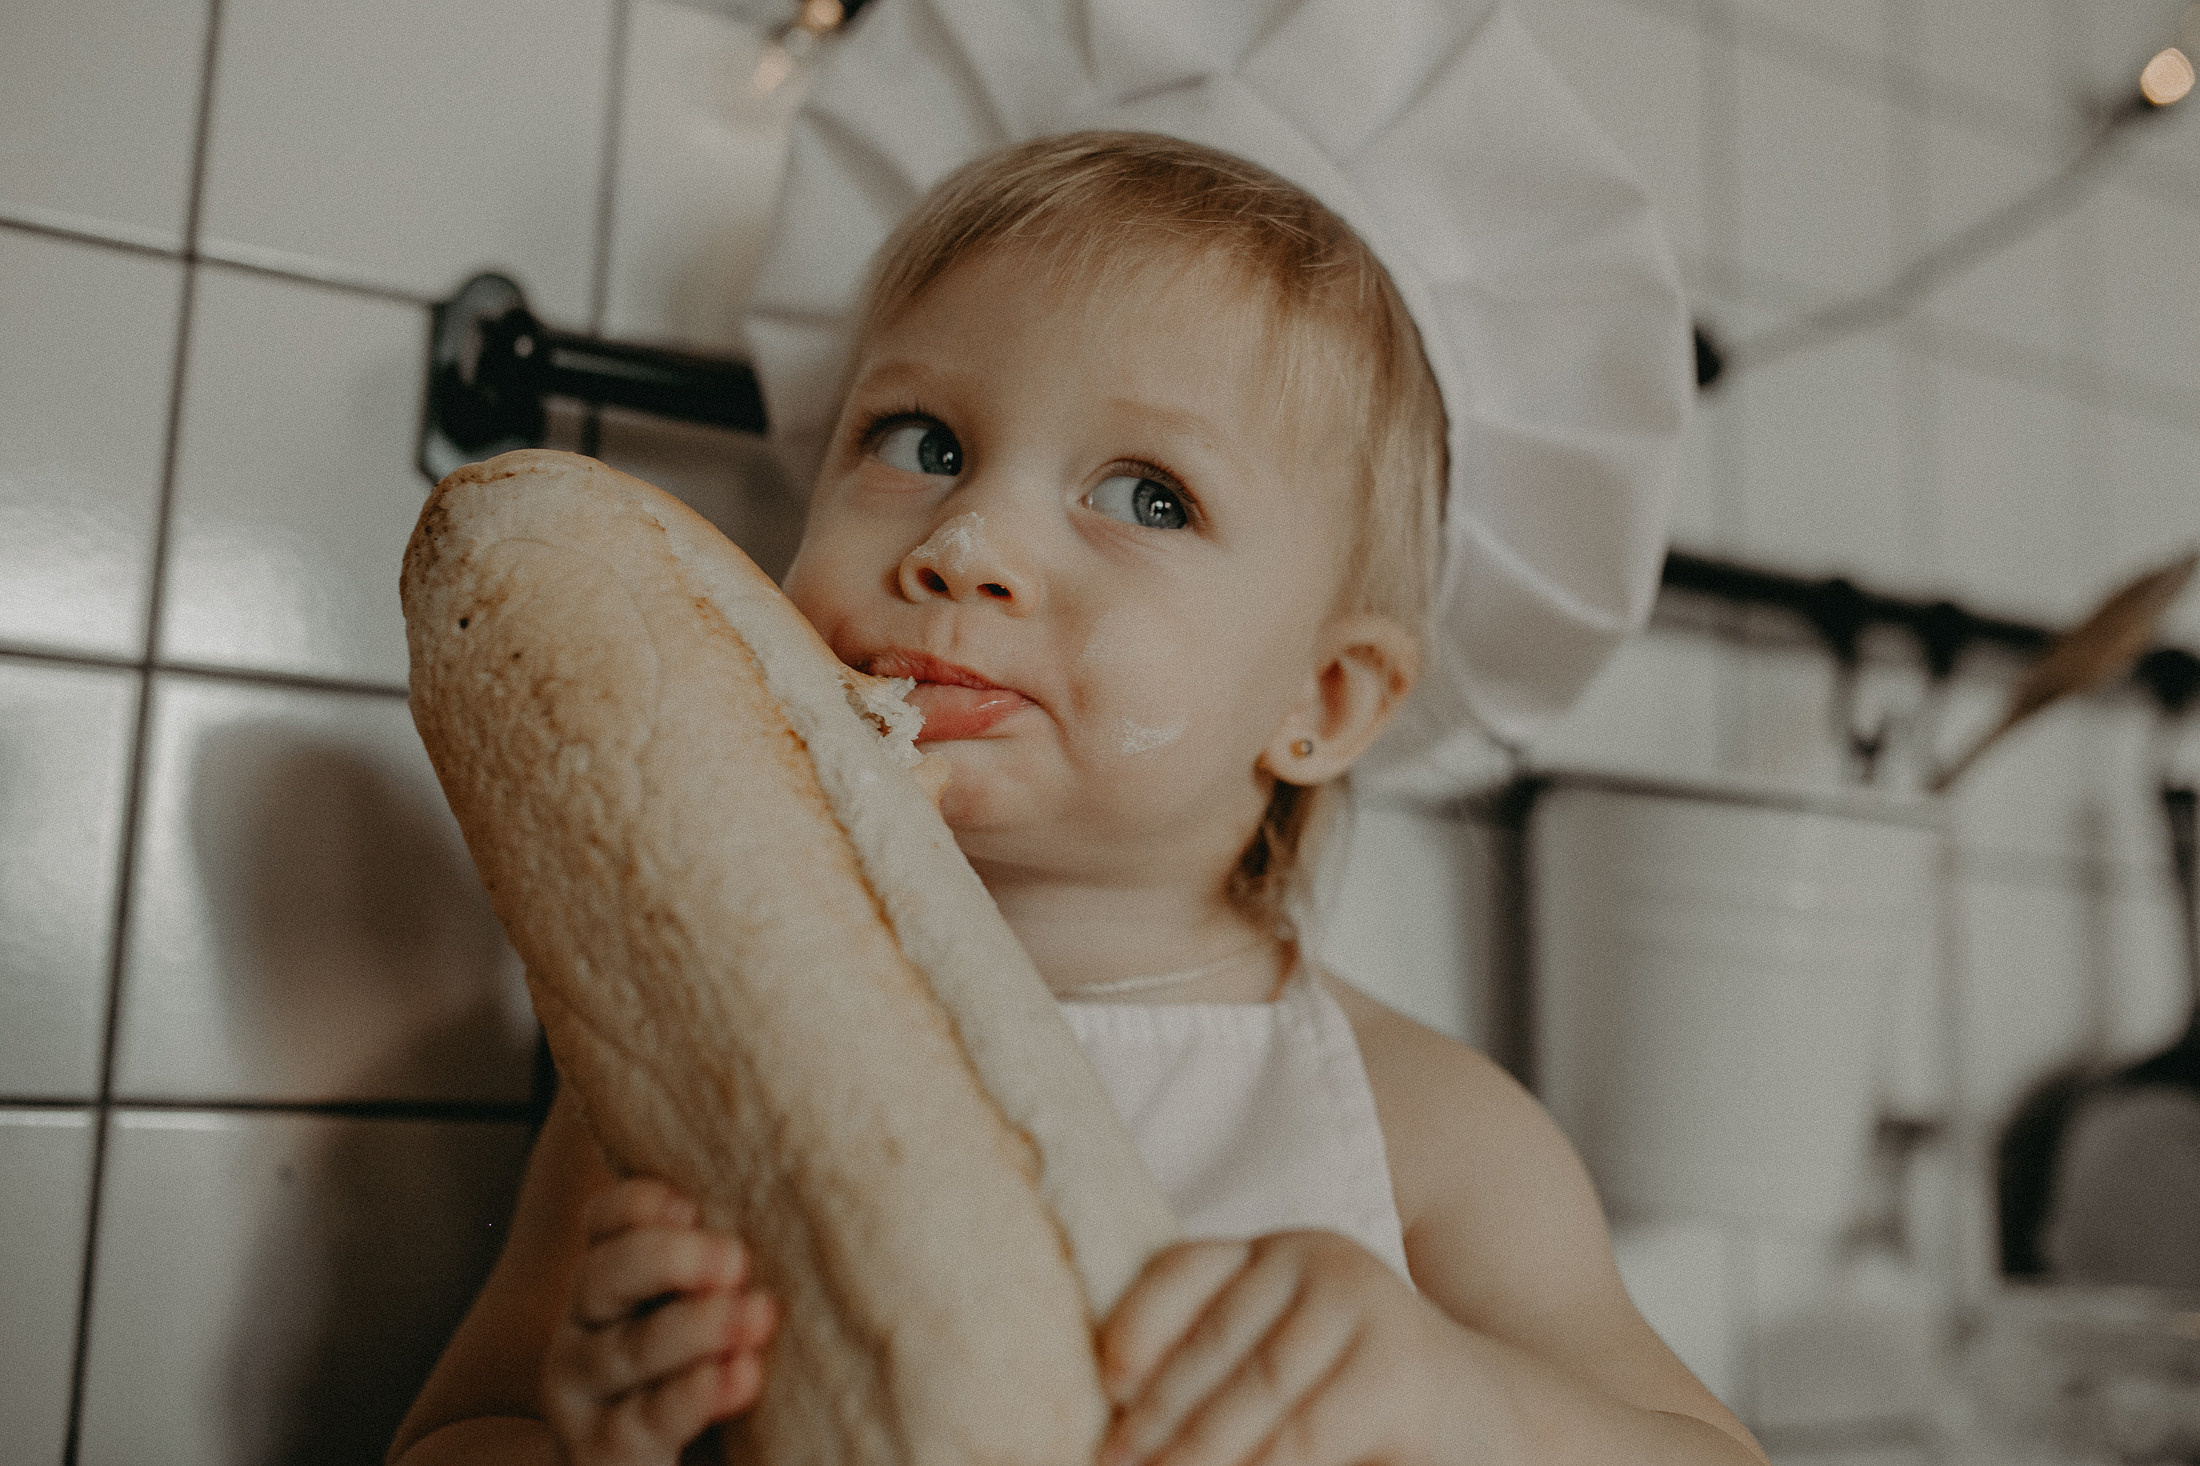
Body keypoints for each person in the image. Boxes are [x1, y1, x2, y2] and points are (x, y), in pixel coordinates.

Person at [387, 131, 1763, 1466]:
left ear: (1323, 700)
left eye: (1148, 496)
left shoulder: (1431, 1131)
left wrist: (1461, 1401)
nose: (964, 544)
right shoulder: (681, 1026)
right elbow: (451, 1435)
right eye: (919, 440)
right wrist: (586, 1439)